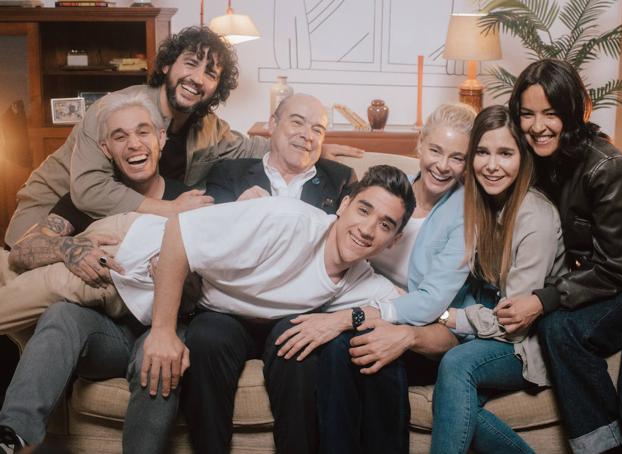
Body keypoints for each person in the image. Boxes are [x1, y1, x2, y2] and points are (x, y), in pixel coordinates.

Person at [120, 166, 414, 454]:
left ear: (394, 241)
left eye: (385, 225)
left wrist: (347, 319)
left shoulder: (365, 282)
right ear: (344, 205)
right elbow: (179, 231)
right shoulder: (284, 219)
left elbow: (422, 316)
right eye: (363, 210)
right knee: (207, 339)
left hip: (278, 327)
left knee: (300, 344)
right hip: (218, 311)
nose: (367, 229)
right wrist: (162, 331)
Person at [4, 26, 359, 248]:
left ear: (216, 88)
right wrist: (169, 210)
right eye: (190, 63)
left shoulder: (208, 127)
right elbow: (88, 191)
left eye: (211, 73)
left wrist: (314, 144)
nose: (197, 78)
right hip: (48, 213)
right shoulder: (117, 110)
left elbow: (255, 145)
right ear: (166, 66)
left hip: (117, 230)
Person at [0, 93, 199, 453]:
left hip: (160, 328)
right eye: (120, 137)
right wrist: (67, 248)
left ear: (161, 137)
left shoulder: (188, 200)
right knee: (62, 312)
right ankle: (13, 437)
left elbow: (212, 278)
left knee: (154, 357)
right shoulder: (86, 201)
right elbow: (21, 252)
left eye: (143, 132)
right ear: (106, 149)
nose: (134, 144)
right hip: (105, 336)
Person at [497, 59, 622, 454]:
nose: (538, 125)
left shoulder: (607, 167)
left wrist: (543, 298)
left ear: (572, 113)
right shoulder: (536, 160)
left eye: (551, 113)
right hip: (616, 277)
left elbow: (618, 266)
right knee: (557, 329)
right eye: (527, 114)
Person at [315, 103, 476, 454]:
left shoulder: (466, 214)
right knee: (338, 348)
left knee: (368, 348)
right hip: (362, 306)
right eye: (435, 150)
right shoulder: (391, 190)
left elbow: (432, 301)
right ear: (419, 145)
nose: (442, 165)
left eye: (457, 157)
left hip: (422, 325)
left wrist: (367, 314)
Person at [428, 105, 566, 454]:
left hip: (528, 344)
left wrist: (451, 317)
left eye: (505, 153)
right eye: (483, 152)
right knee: (459, 408)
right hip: (492, 334)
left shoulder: (535, 215)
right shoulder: (482, 205)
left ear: (523, 159)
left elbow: (515, 324)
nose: (491, 165)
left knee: (457, 365)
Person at [204, 93, 356, 212]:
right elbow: (211, 237)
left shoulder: (341, 180)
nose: (308, 136)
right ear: (273, 124)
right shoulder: (227, 174)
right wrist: (238, 212)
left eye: (317, 130)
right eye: (297, 122)